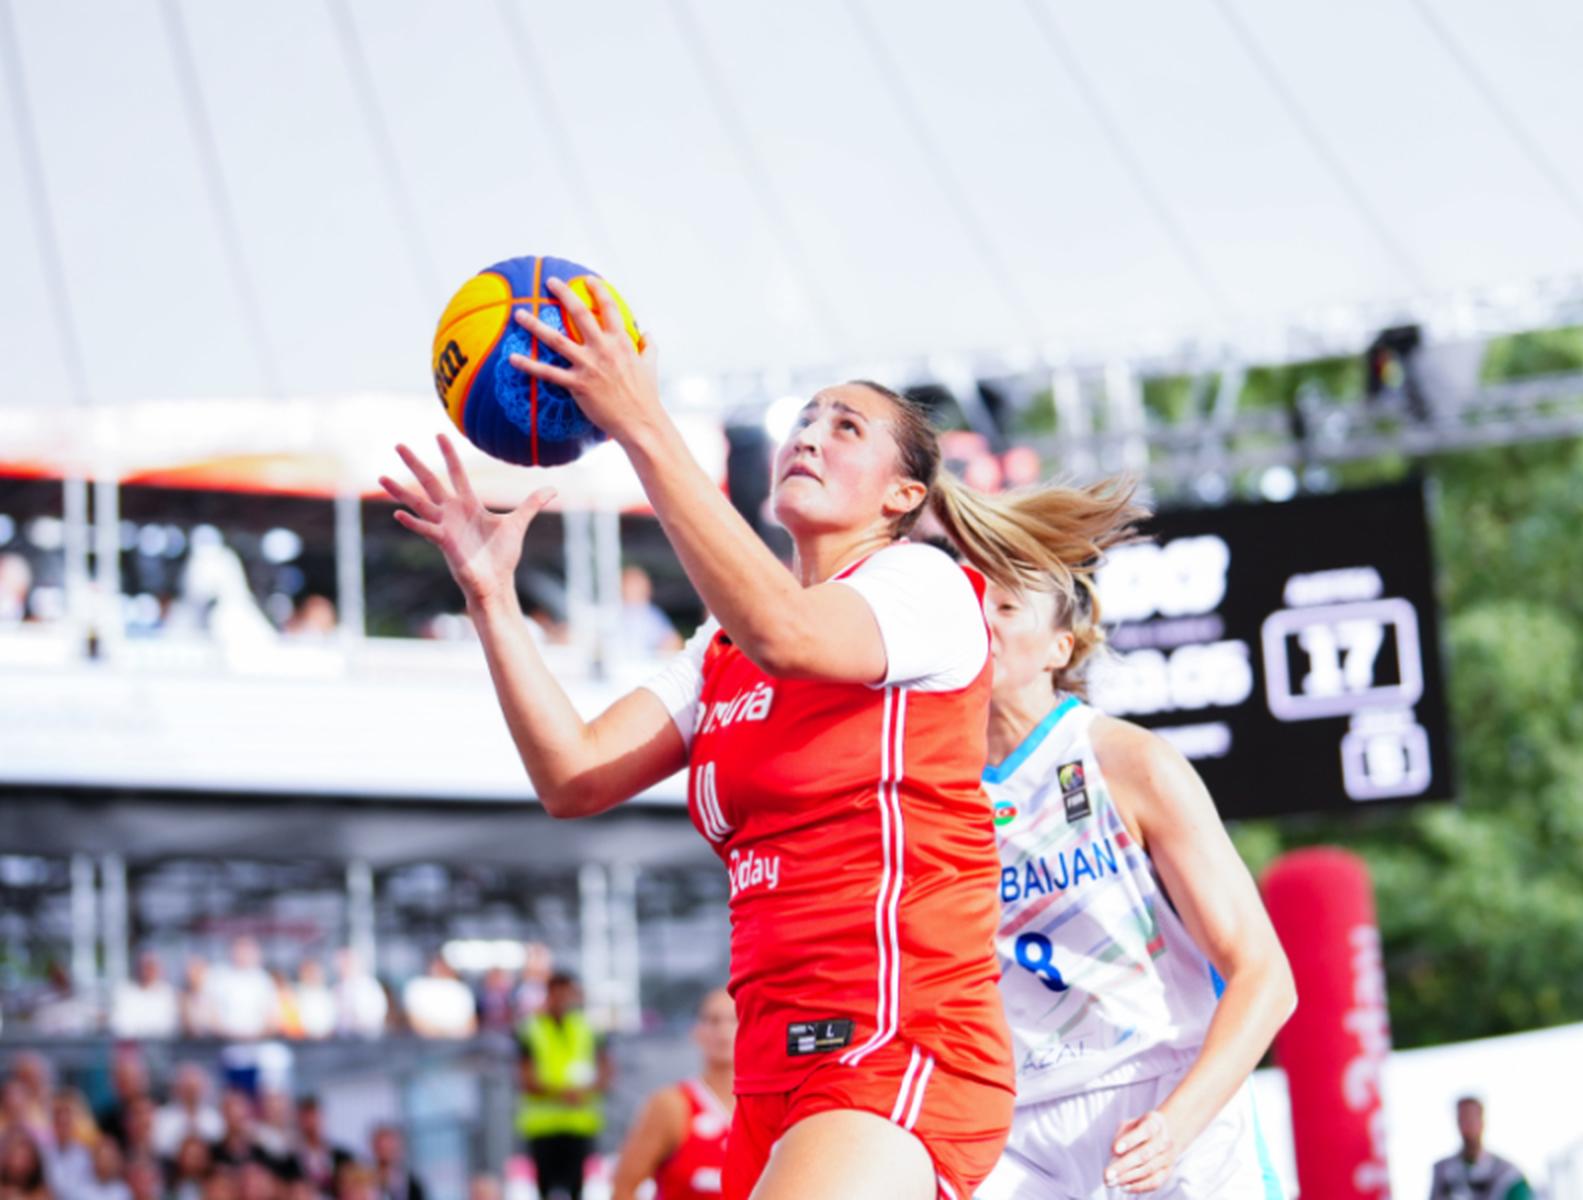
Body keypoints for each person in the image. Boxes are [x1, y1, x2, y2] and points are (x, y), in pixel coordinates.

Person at [381, 280, 1133, 1200]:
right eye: (804, 420)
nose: (809, 435)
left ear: (903, 494)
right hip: (773, 1073)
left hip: (901, 1040)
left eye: (845, 427)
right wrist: (492, 597)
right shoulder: (722, 647)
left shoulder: (924, 587)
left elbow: (791, 633)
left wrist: (640, 421)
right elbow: (573, 774)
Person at [974, 551, 1297, 1198]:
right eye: (971, 606)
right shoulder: (925, 791)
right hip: (1015, 1130)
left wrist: (1177, 1125)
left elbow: (1267, 977)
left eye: (1006, 608)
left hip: (1160, 1095)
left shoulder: (1129, 761)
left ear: (1060, 647)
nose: (983, 622)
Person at [610, 986, 736, 1200]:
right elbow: (623, 1188)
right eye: (713, 1021)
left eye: (735, 1020)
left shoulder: (771, 1108)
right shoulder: (671, 1105)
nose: (724, 1031)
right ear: (696, 1031)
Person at [516, 971, 610, 1200]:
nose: (563, 1000)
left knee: (577, 1187)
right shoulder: (531, 1028)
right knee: (546, 1187)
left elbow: (606, 1069)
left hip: (579, 1123)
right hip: (543, 1125)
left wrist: (585, 1092)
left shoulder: (588, 1027)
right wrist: (562, 1094)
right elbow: (525, 1078)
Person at [1428, 1097, 1531, 1200]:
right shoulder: (1442, 1170)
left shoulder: (1508, 1174)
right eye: (1462, 1120)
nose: (1467, 1127)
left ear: (1482, 1121)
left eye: (1471, 1119)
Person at [205, 938, 277, 1041]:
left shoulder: (262, 978)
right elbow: (211, 1014)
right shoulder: (219, 975)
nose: (243, 954)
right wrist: (229, 1035)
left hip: (258, 1041)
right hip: (224, 1041)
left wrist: (257, 1036)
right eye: (240, 950)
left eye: (247, 951)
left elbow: (271, 1017)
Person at [154, 1064, 224, 1158]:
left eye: (194, 1088)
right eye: (187, 1088)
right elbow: (161, 1146)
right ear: (176, 1089)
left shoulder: (214, 1116)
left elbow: (217, 1142)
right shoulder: (163, 1116)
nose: (191, 1093)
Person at [402, 955, 476, 1039]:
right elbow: (415, 1022)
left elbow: (471, 1025)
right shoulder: (417, 986)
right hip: (425, 1042)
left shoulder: (461, 989)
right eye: (437, 964)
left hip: (459, 1042)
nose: (440, 968)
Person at [110, 951, 181, 1040]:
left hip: (161, 1044)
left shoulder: (167, 993)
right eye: (144, 966)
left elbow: (169, 1026)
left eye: (151, 967)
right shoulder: (124, 991)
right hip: (131, 1045)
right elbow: (120, 1025)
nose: (147, 971)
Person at [616, 564, 681, 658]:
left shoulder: (653, 614)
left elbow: (673, 641)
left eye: (639, 585)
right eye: (632, 585)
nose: (637, 589)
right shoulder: (612, 612)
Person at [291, 1096, 353, 1195]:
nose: (311, 1123)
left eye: (314, 1117)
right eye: (306, 1118)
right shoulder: (290, 1160)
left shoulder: (343, 1156)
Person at [369, 1124, 426, 1200]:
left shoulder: (412, 1183)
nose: (387, 1152)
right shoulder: (366, 1181)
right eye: (383, 1148)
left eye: (390, 1147)